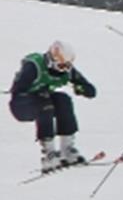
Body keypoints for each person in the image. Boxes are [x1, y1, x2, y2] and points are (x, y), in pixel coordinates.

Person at [9, 40, 98, 171]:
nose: (64, 70)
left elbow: (91, 90)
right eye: (61, 66)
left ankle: (67, 149)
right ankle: (49, 153)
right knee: (45, 104)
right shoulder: (34, 66)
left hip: (45, 99)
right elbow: (17, 90)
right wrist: (38, 91)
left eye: (67, 66)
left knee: (63, 100)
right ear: (51, 61)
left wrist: (80, 88)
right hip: (22, 105)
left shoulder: (67, 70)